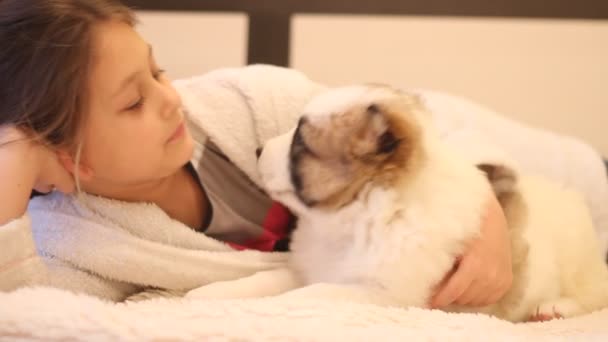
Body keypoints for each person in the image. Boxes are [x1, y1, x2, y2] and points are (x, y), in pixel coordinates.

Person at [1, 0, 603, 306]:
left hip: (532, 171)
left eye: (159, 70)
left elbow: (408, 133)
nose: (169, 99)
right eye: (133, 102)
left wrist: (488, 207)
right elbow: (28, 310)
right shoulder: (79, 245)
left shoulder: (254, 100)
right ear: (59, 160)